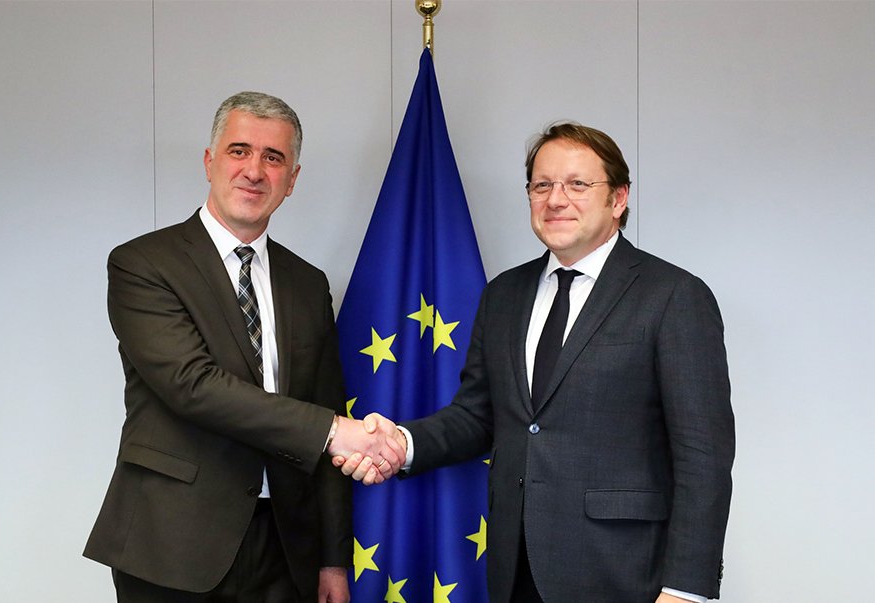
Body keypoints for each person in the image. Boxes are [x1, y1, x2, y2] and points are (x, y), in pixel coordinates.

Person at [338, 122, 735, 602]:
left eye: (577, 184)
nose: (556, 199)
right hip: (515, 567)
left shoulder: (674, 296)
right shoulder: (504, 294)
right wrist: (401, 444)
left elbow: (703, 457)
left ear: (618, 198)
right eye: (542, 185)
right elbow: (477, 416)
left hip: (626, 573)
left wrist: (686, 590)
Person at [85, 91, 403, 603]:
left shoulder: (308, 284)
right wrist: (333, 432)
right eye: (239, 151)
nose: (254, 170)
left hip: (285, 547)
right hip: (172, 542)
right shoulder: (143, 264)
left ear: (291, 180)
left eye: (273, 158)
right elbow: (193, 385)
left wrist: (332, 560)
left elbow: (327, 405)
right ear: (209, 161)